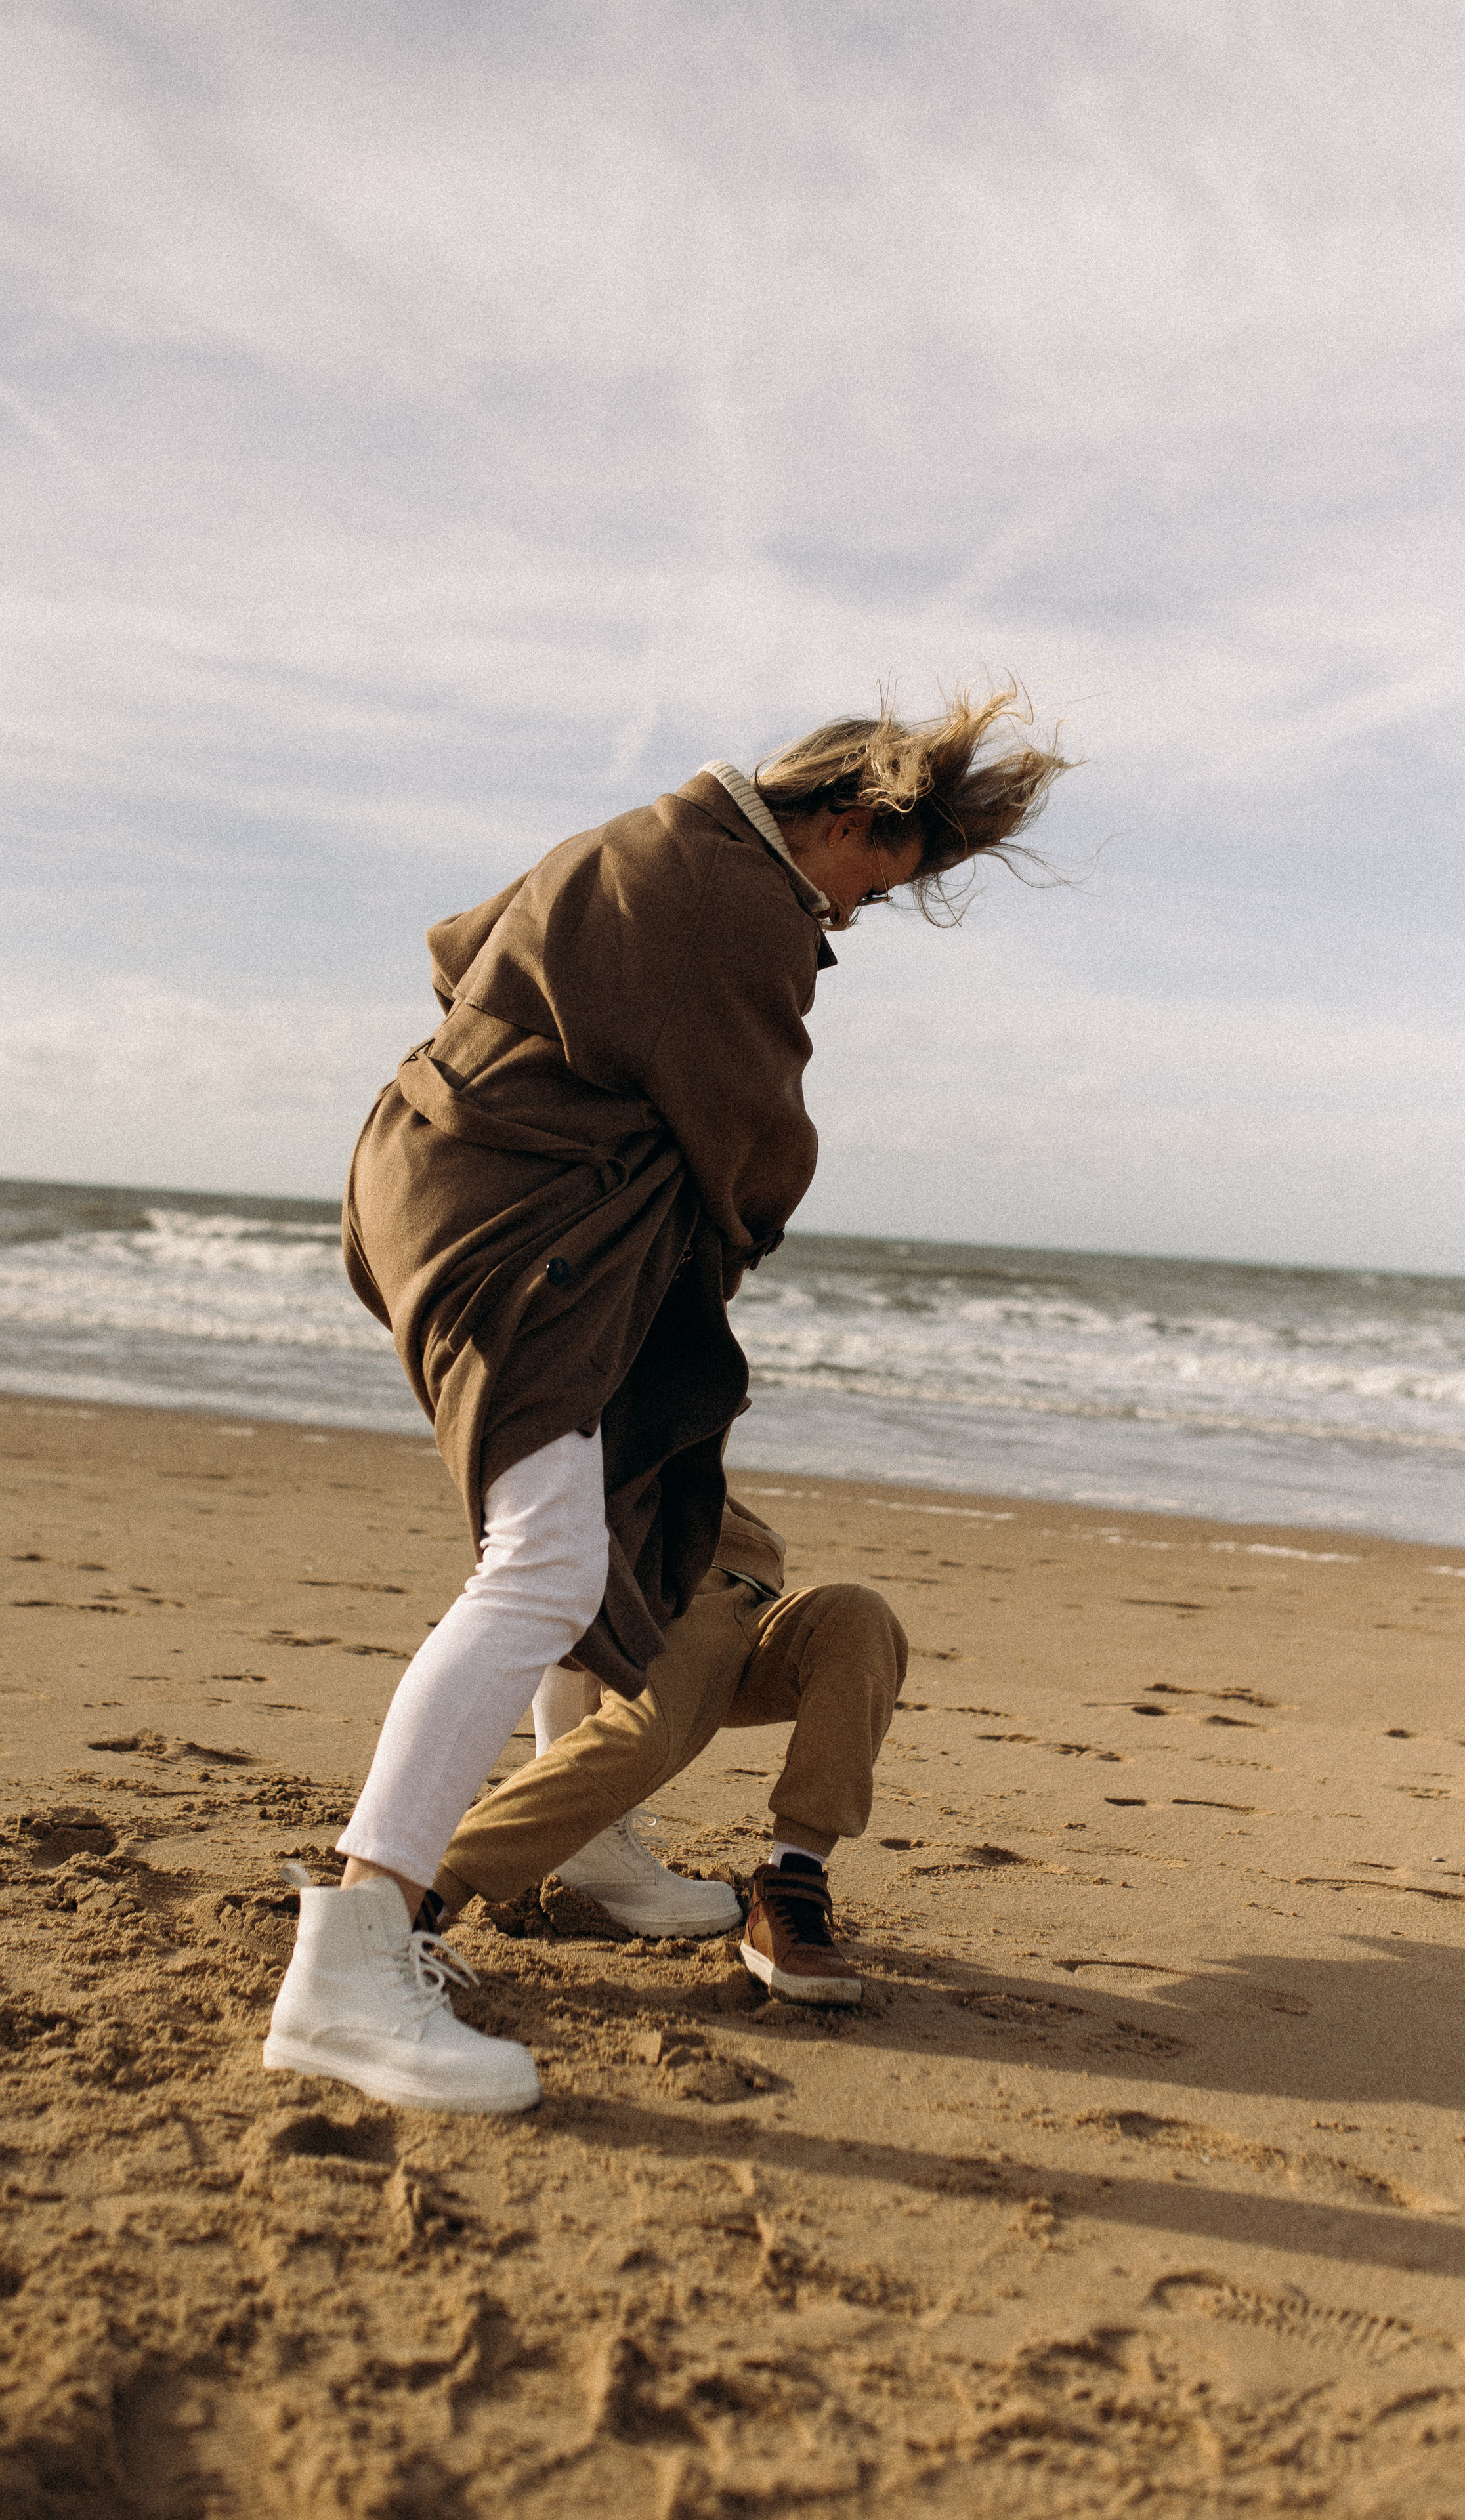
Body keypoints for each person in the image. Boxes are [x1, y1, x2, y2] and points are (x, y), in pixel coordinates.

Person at [264, 690, 1067, 2113]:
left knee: (607, 1513)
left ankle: (584, 1854)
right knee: (547, 1559)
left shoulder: (639, 844)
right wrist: (734, 1219)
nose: (851, 922)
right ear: (846, 820)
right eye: (872, 885)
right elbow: (757, 1134)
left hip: (443, 1179)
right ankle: (359, 1945)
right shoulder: (741, 897)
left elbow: (462, 947)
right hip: (514, 1222)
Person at [431, 1493, 906, 2004]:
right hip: (673, 1600)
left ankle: (793, 1886)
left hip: (755, 1593)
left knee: (860, 1618)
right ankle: (425, 1889)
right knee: (645, 1734)